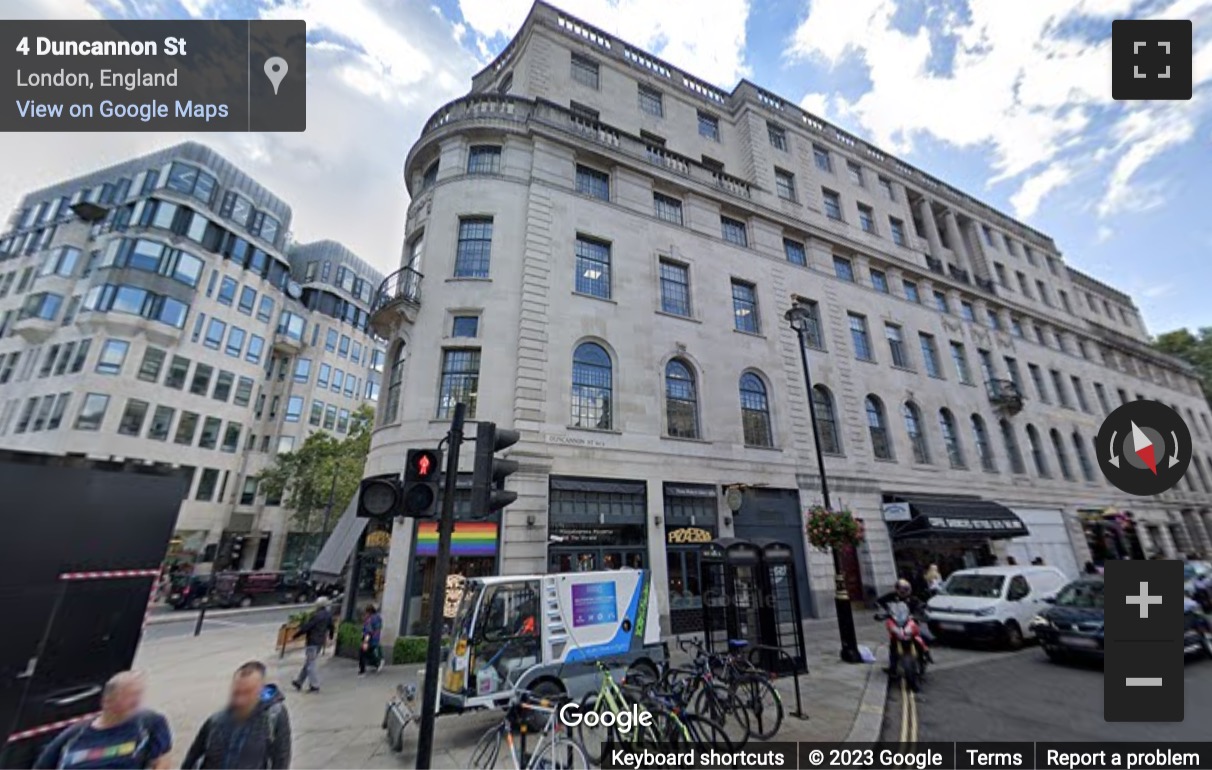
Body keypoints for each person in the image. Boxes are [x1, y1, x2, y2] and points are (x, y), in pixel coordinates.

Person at [34, 671, 172, 769]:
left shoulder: (149, 723)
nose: (136, 701)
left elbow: (162, 762)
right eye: (129, 695)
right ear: (107, 700)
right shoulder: (74, 735)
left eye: (138, 694)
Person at [182, 661, 291, 769]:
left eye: (247, 693)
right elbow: (192, 757)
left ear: (260, 691)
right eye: (237, 693)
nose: (240, 700)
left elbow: (281, 760)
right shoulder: (216, 721)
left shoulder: (273, 718)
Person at [291, 596, 335, 693]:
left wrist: (296, 635)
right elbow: (331, 627)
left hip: (312, 641)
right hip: (320, 642)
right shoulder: (328, 615)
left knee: (311, 664)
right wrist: (331, 636)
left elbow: (308, 626)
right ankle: (299, 681)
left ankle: (314, 686)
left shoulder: (316, 615)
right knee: (309, 662)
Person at [358, 604, 384, 676]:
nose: (365, 614)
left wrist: (365, 642)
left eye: (366, 612)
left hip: (370, 640)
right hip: (375, 640)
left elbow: (368, 631)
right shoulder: (378, 618)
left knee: (362, 653)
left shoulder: (370, 619)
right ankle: (378, 663)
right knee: (370, 653)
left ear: (368, 612)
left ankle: (362, 671)